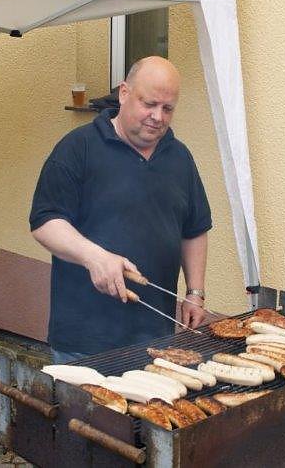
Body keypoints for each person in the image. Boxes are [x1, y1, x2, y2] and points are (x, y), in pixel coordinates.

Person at [30, 56, 212, 364]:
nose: (158, 117)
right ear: (124, 93)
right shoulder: (78, 148)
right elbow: (45, 222)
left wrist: (195, 292)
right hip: (84, 340)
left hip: (156, 337)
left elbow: (194, 229)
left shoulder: (179, 157)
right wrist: (95, 257)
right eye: (149, 104)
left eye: (167, 108)